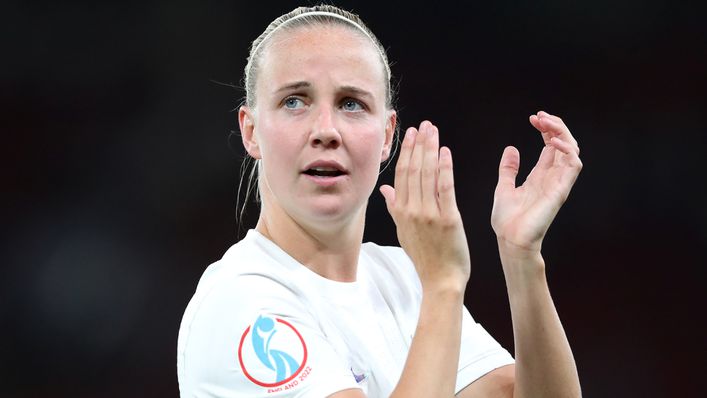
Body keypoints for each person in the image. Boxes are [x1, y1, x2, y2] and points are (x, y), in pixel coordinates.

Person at [177, 4, 582, 397]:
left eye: (351, 103)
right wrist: (443, 286)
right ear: (251, 132)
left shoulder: (401, 278)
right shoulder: (239, 303)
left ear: (387, 135)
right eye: (294, 101)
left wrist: (522, 259)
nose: (326, 130)